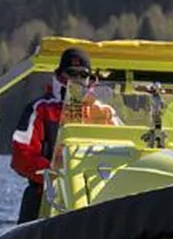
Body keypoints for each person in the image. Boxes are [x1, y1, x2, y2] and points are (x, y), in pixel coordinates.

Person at [10, 46, 122, 223]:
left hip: (94, 196)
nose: (76, 79)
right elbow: (21, 156)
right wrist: (56, 174)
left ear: (90, 79)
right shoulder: (40, 109)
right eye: (71, 73)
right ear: (60, 75)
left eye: (83, 75)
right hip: (46, 195)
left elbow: (122, 152)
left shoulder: (104, 113)